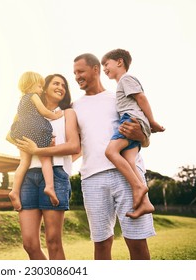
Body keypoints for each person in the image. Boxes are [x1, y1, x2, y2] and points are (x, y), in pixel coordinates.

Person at [72, 53, 156, 259]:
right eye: (74, 73)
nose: (77, 76)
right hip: (92, 179)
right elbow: (76, 147)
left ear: (95, 70)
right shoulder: (74, 107)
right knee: (101, 243)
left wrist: (144, 138)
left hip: (126, 175)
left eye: (80, 71)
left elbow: (141, 133)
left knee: (136, 241)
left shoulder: (118, 97)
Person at [14, 74, 80, 260]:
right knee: (29, 244)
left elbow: (75, 146)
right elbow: (13, 137)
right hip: (27, 176)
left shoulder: (67, 113)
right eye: (56, 83)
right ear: (44, 87)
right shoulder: (28, 111)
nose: (60, 87)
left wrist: (39, 149)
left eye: (64, 85)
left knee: (53, 241)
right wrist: (26, 146)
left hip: (56, 174)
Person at [101, 49, 164, 218]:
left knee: (110, 151)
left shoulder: (126, 79)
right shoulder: (121, 83)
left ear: (119, 62)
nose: (104, 69)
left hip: (131, 120)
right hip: (135, 121)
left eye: (106, 64)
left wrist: (152, 122)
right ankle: (146, 203)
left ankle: (138, 186)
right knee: (130, 160)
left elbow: (141, 98)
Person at [8, 71, 64, 211]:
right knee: (45, 159)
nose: (41, 89)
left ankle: (14, 191)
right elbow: (44, 112)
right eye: (40, 86)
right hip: (36, 130)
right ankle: (50, 187)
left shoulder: (21, 101)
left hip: (22, 131)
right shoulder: (33, 96)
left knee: (23, 162)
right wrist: (56, 115)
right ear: (31, 85)